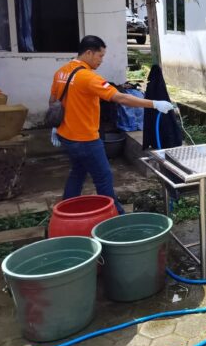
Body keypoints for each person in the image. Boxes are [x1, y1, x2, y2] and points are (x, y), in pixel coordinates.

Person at [49, 35, 174, 214]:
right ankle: (116, 218)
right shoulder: (88, 77)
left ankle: (65, 213)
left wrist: (55, 126)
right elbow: (121, 98)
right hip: (86, 139)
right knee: (103, 177)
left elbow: (53, 101)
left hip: (66, 136)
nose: (101, 60)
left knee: (78, 172)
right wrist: (154, 104)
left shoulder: (61, 72)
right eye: (100, 56)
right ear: (89, 53)